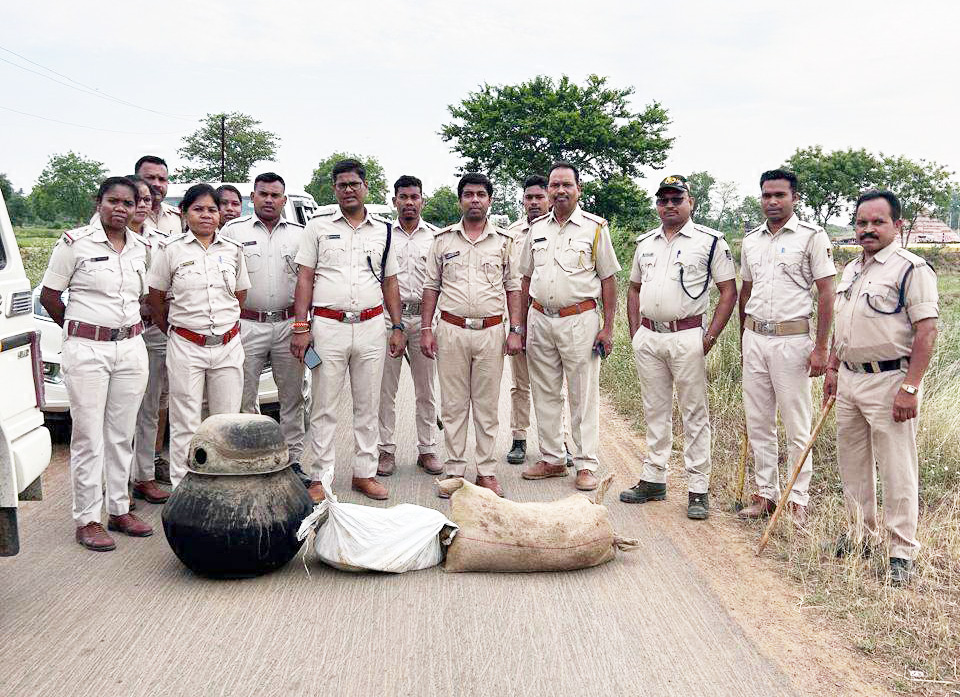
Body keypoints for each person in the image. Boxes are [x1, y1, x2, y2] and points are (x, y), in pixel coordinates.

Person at [824, 190, 938, 586]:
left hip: (891, 380)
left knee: (896, 467)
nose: (867, 230)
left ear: (897, 225)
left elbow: (927, 330)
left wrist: (911, 387)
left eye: (877, 222)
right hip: (851, 378)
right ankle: (860, 533)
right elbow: (844, 324)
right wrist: (834, 367)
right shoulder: (853, 269)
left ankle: (901, 551)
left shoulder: (911, 269)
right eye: (861, 223)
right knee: (852, 463)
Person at [39, 177, 152, 551]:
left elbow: (144, 297)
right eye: (113, 201)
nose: (120, 208)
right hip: (87, 349)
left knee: (122, 433)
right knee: (88, 436)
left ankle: (119, 509)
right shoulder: (75, 243)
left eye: (128, 203)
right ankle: (87, 518)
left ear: (137, 207)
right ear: (98, 202)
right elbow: (51, 296)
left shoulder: (140, 246)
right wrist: (80, 330)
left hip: (131, 346)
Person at [619, 175, 737, 520]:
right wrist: (635, 332)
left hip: (688, 336)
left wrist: (709, 337)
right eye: (663, 200)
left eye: (676, 199)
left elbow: (728, 292)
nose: (669, 205)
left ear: (691, 202)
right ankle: (654, 478)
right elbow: (633, 289)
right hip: (649, 337)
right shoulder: (646, 243)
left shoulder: (710, 241)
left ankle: (698, 488)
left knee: (694, 413)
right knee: (654, 409)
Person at [290, 159, 406, 503]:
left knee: (367, 405)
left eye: (354, 183)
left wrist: (397, 326)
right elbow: (305, 277)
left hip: (371, 325)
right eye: (342, 185)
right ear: (334, 189)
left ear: (366, 187)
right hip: (327, 326)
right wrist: (301, 326)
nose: (348, 190)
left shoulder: (383, 230)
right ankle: (319, 477)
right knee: (324, 405)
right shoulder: (318, 227)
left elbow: (390, 281)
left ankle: (364, 473)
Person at [737, 169, 836, 525]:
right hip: (755, 338)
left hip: (793, 340)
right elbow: (745, 291)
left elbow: (826, 293)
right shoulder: (751, 240)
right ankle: (766, 493)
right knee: (759, 421)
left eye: (779, 195)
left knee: (797, 423)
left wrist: (821, 348)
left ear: (794, 198)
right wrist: (742, 338)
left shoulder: (812, 237)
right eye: (766, 195)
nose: (772, 202)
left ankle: (798, 499)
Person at [518, 162, 620, 493]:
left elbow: (608, 278)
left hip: (580, 320)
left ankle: (586, 463)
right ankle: (552, 458)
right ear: (548, 190)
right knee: (545, 392)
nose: (560, 191)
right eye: (555, 185)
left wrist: (608, 327)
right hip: (540, 318)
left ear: (579, 189)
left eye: (567, 185)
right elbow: (525, 278)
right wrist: (519, 325)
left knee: (582, 394)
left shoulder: (594, 228)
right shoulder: (536, 229)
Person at [421, 172, 522, 498]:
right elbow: (431, 287)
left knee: (486, 406)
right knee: (453, 405)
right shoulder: (443, 241)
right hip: (451, 330)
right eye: (468, 194)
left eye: (481, 194)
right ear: (460, 200)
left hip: (491, 331)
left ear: (490, 200)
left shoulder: (504, 242)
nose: (475, 200)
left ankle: (487, 473)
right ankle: (454, 471)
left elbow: (513, 289)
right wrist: (426, 329)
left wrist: (515, 330)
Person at [146, 184, 250, 487]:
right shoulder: (170, 249)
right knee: (185, 421)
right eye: (198, 209)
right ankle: (184, 487)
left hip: (228, 345)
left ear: (220, 215)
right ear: (184, 212)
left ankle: (222, 484)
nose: (206, 215)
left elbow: (239, 295)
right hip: (186, 345)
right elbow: (155, 297)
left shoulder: (233, 250)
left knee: (226, 420)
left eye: (212, 209)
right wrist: (176, 331)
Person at [222, 173, 307, 476]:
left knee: (292, 396)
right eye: (263, 194)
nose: (269, 200)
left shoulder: (300, 234)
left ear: (284, 199)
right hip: (247, 324)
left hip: (288, 325)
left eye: (275, 195)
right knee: (244, 395)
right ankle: (251, 458)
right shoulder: (232, 231)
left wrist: (303, 326)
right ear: (252, 197)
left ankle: (292, 459)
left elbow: (307, 282)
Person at [376, 175, 441, 477]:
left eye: (415, 197)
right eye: (403, 197)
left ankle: (427, 449)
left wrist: (431, 324)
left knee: (425, 389)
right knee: (385, 390)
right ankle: (385, 450)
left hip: (425, 321)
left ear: (422, 201)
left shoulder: (436, 237)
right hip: (390, 321)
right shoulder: (383, 235)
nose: (409, 203)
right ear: (394, 201)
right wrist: (392, 323)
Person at [505, 175, 572, 467]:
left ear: (547, 197)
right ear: (523, 200)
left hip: (550, 316)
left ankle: (561, 442)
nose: (533, 203)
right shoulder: (510, 234)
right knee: (520, 383)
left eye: (538, 197)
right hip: (520, 317)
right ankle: (519, 438)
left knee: (555, 385)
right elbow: (508, 280)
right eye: (528, 198)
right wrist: (514, 325)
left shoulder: (560, 230)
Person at [126, 175, 173, 501]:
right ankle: (114, 484)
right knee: (117, 412)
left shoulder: (158, 240)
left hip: (154, 330)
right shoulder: (91, 238)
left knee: (150, 407)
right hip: (118, 335)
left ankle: (143, 475)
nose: (142, 205)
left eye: (146, 200)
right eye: (134, 200)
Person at [135, 155, 181, 235]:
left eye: (162, 179)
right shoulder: (127, 216)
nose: (157, 184)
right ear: (136, 179)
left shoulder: (179, 216)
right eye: (150, 178)